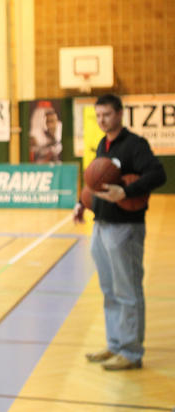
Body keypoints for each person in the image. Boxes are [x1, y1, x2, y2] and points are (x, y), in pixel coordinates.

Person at [73, 94, 166, 371]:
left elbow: (158, 175)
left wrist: (126, 191)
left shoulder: (135, 145)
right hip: (101, 225)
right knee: (109, 290)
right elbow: (95, 182)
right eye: (98, 116)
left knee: (128, 290)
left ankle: (131, 352)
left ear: (120, 114)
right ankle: (115, 344)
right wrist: (81, 203)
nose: (102, 120)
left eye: (107, 115)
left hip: (126, 227)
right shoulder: (104, 144)